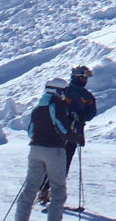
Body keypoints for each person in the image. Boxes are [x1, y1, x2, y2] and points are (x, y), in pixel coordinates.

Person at [11, 78, 73, 221]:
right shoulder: (57, 105)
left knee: (31, 186)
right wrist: (73, 136)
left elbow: (31, 131)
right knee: (58, 188)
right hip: (54, 150)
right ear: (58, 91)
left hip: (35, 149)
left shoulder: (38, 108)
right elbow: (61, 126)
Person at [39, 64, 95, 207]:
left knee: (65, 163)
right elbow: (55, 106)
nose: (85, 80)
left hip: (74, 133)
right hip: (60, 131)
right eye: (83, 76)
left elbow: (91, 113)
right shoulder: (64, 90)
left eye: (86, 77)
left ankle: (53, 191)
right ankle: (44, 189)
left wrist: (80, 117)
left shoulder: (87, 96)